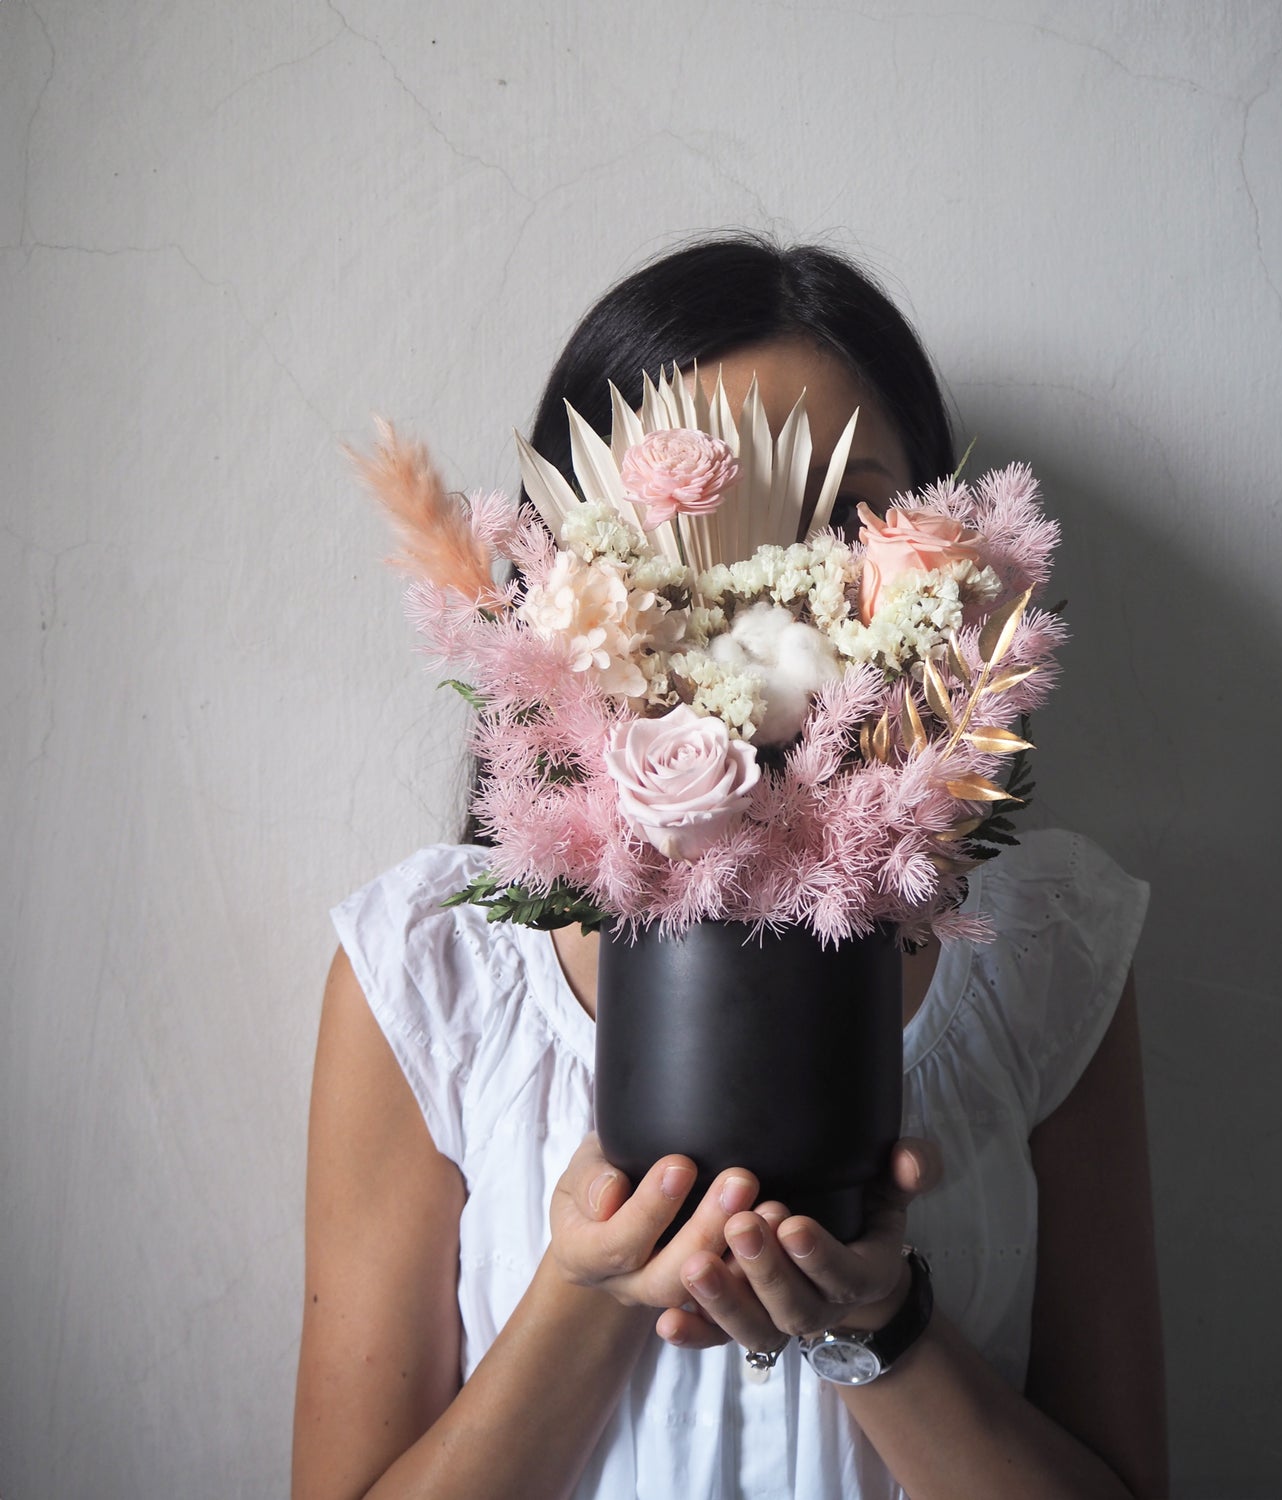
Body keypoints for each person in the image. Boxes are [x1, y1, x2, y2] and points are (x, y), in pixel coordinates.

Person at [292, 236, 1169, 1499]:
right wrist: (596, 1288)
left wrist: (887, 1332)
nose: (771, 589)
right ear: (573, 564)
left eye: (851, 519)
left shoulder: (1048, 953)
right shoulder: (426, 977)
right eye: (693, 519)